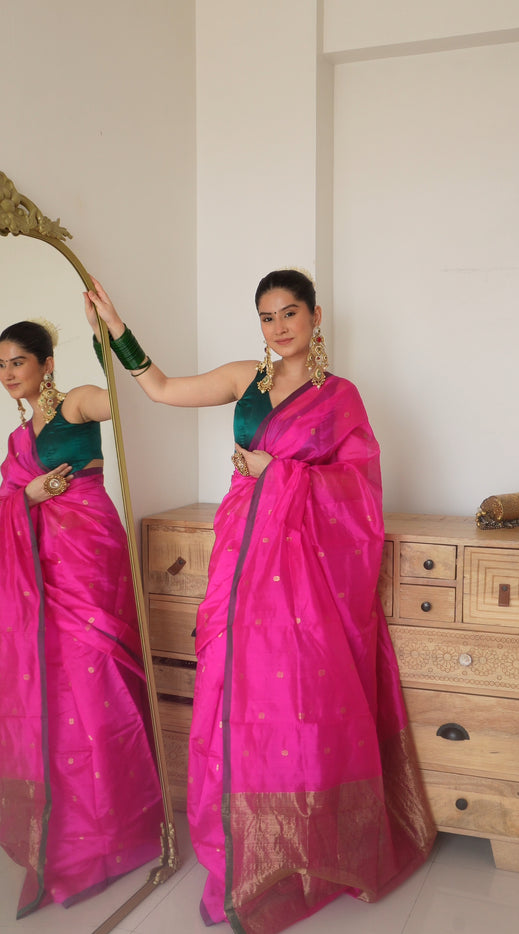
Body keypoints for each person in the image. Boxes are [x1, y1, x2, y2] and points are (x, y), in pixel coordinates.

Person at [85, 270, 436, 934]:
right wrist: (116, 328)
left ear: (315, 317)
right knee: (233, 688)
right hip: (240, 555)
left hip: (302, 570)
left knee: (299, 695)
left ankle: (310, 842)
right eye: (267, 318)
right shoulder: (246, 377)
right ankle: (246, 846)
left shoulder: (339, 397)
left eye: (289, 314)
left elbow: (357, 490)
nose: (278, 329)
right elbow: (159, 388)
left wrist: (279, 474)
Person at [0, 320, 164, 918]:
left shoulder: (74, 405)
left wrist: (108, 340)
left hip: (89, 561)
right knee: (63, 696)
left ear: (46, 363)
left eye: (19, 362)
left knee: (101, 689)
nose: (9, 374)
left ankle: (123, 827)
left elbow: (115, 400)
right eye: (2, 366)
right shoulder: (19, 444)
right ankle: (75, 835)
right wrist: (28, 498)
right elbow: (9, 500)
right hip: (44, 573)